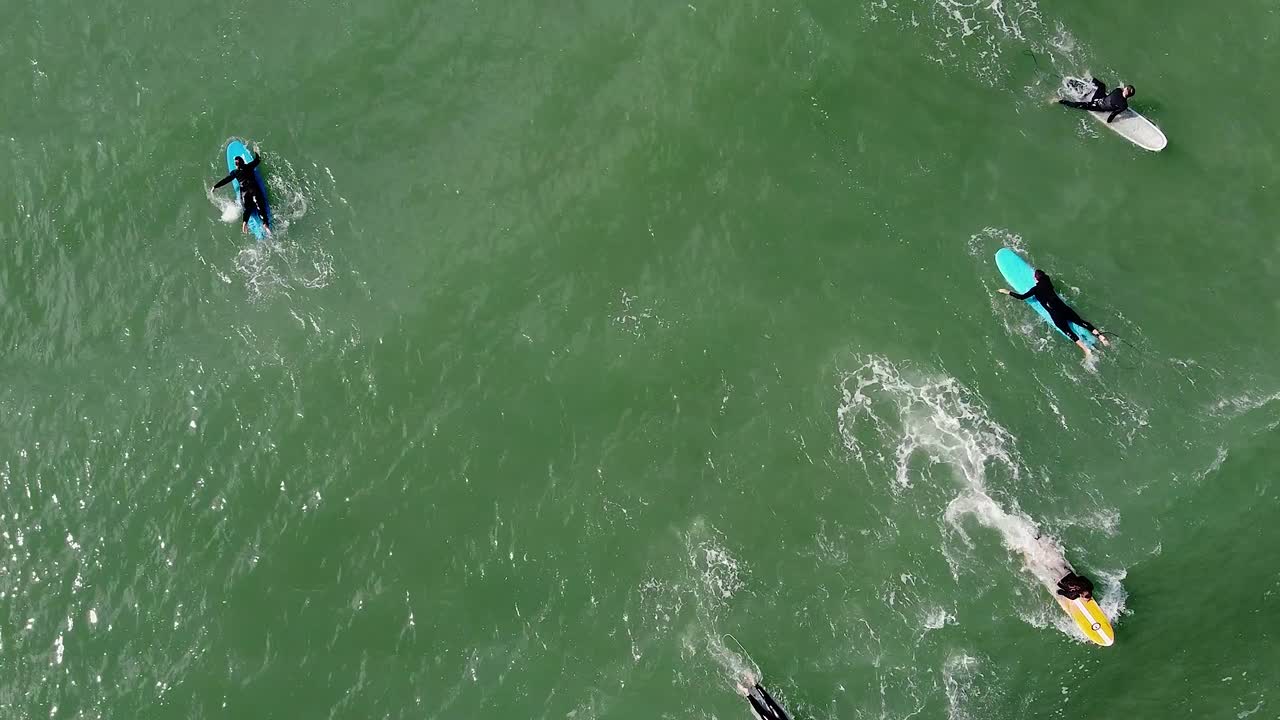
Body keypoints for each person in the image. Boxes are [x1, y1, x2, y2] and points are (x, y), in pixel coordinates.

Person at [997, 269, 1109, 358]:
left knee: (1068, 332)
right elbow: (1044, 277)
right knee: (1081, 322)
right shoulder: (1047, 281)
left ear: (1035, 279)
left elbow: (1021, 297)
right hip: (1064, 308)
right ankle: (1101, 337)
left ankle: (1086, 350)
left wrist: (1006, 291)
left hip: (1056, 315)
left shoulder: (1035, 290)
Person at [213, 148, 271, 234]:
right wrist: (256, 151)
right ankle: (265, 224)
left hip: (244, 192)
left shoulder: (235, 172)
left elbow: (226, 180)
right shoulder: (249, 166)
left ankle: (245, 222)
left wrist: (215, 186)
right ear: (243, 162)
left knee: (248, 208)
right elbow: (257, 160)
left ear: (236, 165)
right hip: (253, 189)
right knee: (259, 205)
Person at [1059, 78, 1135, 124]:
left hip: (1100, 99)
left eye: (1126, 88)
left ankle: (1088, 76)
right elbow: (1113, 114)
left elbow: (1113, 96)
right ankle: (1059, 101)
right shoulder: (1124, 105)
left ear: (1125, 90)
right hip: (1099, 106)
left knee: (1102, 86)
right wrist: (1108, 122)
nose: (1124, 87)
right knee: (1078, 105)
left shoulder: (1117, 90)